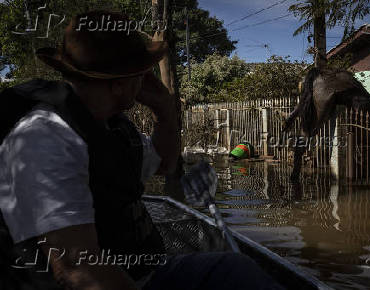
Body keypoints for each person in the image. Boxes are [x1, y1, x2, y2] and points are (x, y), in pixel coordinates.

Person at [0, 10, 284, 290]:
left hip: (142, 273)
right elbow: (78, 270)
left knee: (232, 269)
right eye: (141, 71)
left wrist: (166, 111)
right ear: (121, 83)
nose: (146, 78)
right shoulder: (45, 137)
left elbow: (164, 163)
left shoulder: (112, 126)